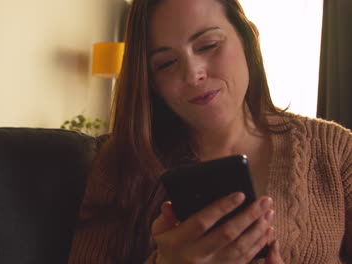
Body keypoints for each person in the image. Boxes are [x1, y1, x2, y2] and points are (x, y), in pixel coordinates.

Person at [68, 0, 352, 263]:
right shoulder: (120, 164)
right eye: (166, 63)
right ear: (151, 81)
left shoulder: (335, 150)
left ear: (248, 38)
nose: (193, 74)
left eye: (208, 45)